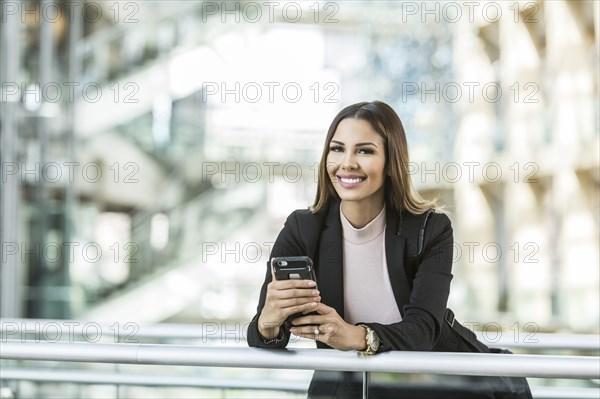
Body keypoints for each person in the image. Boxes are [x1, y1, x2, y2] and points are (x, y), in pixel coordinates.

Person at [247, 101, 530, 398]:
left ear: (391, 161)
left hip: (439, 379)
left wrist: (355, 335)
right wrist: (270, 320)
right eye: (337, 148)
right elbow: (259, 334)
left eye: (365, 151)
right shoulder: (302, 228)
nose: (347, 163)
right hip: (355, 383)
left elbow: (422, 330)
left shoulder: (431, 229)